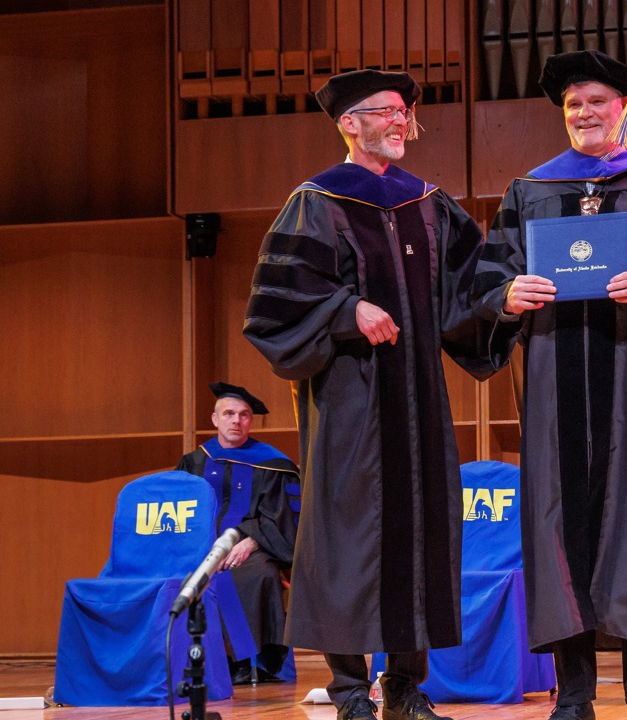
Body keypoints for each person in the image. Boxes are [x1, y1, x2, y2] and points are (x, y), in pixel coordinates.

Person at [471, 50, 627, 720]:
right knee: (559, 535)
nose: (584, 114)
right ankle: (574, 698)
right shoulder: (531, 190)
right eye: (573, 105)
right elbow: (483, 282)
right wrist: (508, 294)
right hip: (555, 389)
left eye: (597, 102)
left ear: (623, 107)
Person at [243, 69, 492, 720]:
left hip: (421, 402)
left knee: (422, 529)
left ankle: (406, 687)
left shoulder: (428, 203)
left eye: (404, 110)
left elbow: (476, 283)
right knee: (348, 537)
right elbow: (275, 308)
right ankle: (352, 692)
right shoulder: (317, 202)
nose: (400, 120)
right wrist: (345, 309)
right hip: (350, 403)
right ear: (349, 123)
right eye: (385, 111)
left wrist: (520, 293)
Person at [176, 382, 299, 685]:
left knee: (258, 575)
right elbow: (179, 513)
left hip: (254, 547)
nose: (236, 420)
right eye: (229, 413)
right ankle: (197, 661)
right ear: (215, 419)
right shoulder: (194, 462)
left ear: (250, 421)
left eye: (244, 415)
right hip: (199, 549)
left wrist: (251, 542)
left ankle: (252, 662)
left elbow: (282, 517)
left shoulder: (273, 464)